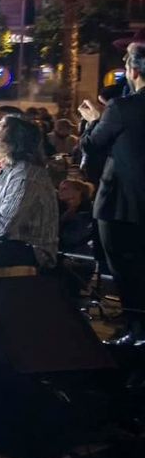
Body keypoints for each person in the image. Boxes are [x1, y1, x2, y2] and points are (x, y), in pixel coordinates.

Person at [79, 41, 145, 344]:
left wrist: (95, 120)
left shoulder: (121, 108)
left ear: (132, 70)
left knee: (126, 272)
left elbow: (92, 145)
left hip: (120, 207)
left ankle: (136, 331)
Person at [0, 115, 58, 278]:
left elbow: (4, 224)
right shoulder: (3, 170)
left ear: (15, 139)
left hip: (31, 250)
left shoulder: (26, 174)